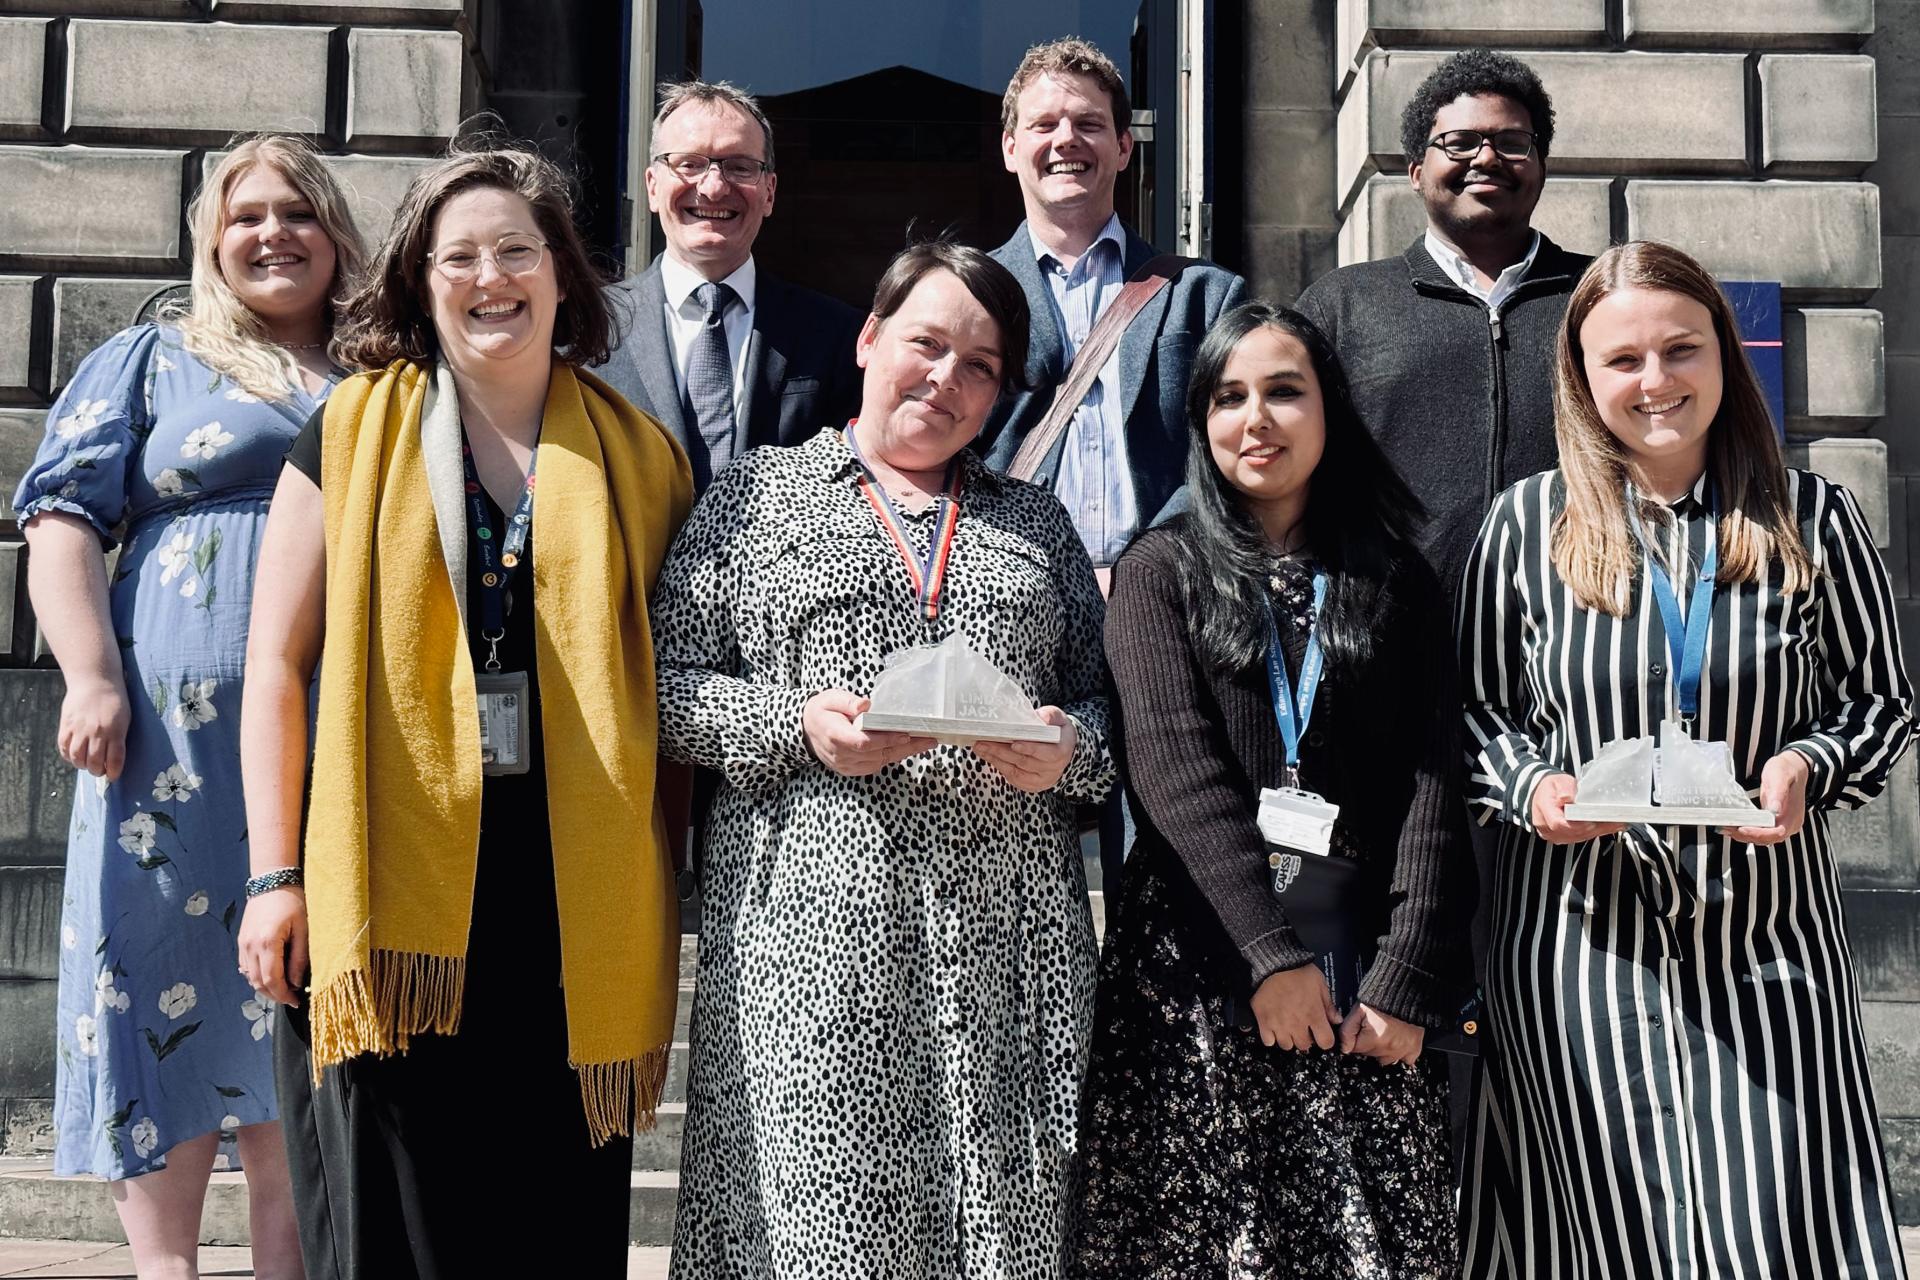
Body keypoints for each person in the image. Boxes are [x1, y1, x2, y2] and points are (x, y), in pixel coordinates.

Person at [234, 143, 693, 1278]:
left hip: (565, 902)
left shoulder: (642, 460)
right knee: (399, 1227)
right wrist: (272, 874)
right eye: (461, 256)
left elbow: (680, 694)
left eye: (517, 251)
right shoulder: (347, 432)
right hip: (388, 889)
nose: (492, 277)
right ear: (417, 280)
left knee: (551, 1225)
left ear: (562, 275)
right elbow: (275, 664)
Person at [652, 240, 1112, 1278]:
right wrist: (796, 723)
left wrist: (1065, 749)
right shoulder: (755, 500)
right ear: (869, 340)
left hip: (1006, 950)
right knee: (821, 1231)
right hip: (811, 949)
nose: (947, 379)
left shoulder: (1032, 523)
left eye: (981, 365)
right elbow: (664, 689)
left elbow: (1107, 715)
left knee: (1008, 1228)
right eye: (927, 344)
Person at [1456, 241, 1915, 1277]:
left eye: (1680, 349)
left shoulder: (1815, 520)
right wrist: (1537, 789)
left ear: (1723, 356)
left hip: (1767, 936)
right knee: (1600, 1224)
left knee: (1776, 1219)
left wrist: (1809, 762)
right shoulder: (1527, 527)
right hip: (1580, 939)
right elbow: (1475, 713)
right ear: (1581, 376)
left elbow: (1880, 704)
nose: (1655, 380)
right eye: (1623, 360)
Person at [13, 133, 364, 1279]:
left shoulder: (380, 370)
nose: (274, 233)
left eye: (300, 213)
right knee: (156, 1006)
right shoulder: (154, 357)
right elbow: (61, 521)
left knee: (296, 1034)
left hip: (328, 748)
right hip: (165, 757)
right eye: (249, 213)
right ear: (213, 237)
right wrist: (92, 675)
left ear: (337, 236)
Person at [1075, 302, 1473, 1279]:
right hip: (1202, 971)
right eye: (1229, 396)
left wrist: (1406, 972)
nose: (1257, 417)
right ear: (1202, 422)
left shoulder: (1397, 579)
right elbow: (1176, 773)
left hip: (1362, 981)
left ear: (1329, 409)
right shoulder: (1158, 571)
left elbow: (1437, 783)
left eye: (1284, 391)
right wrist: (1268, 953)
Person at [1296, 49, 1592, 601]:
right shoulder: (1342, 305)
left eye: (1512, 142)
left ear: (1541, 166)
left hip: (1571, 645)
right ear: (1415, 173)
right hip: (1390, 647)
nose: (1487, 158)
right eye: (1459, 143)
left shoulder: (1601, 298)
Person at [981, 37, 1246, 575]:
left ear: (1124, 147)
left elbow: (1231, 450)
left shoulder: (1205, 294)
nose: (1066, 140)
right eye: (1044, 124)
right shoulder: (966, 294)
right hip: (1007, 595)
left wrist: (1145, 573)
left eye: (1089, 124)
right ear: (1010, 149)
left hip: (1167, 596)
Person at [600, 79, 863, 493]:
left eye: (740, 166)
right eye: (688, 164)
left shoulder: (836, 336)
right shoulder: (590, 327)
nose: (713, 186)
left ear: (770, 192)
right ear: (652, 186)